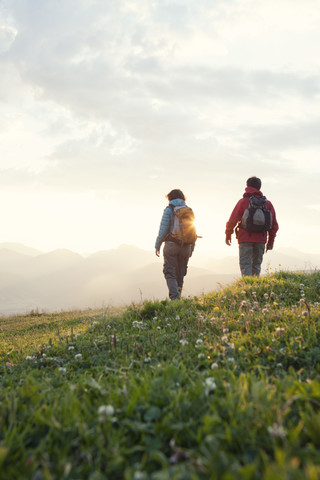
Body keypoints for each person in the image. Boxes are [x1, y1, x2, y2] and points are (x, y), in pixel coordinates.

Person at [225, 176, 279, 277]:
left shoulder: (243, 202)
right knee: (256, 265)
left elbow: (233, 219)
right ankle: (255, 287)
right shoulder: (267, 204)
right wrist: (270, 241)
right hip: (261, 239)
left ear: (247, 186)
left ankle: (248, 287)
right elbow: (274, 225)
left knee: (245, 264)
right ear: (260, 187)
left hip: (245, 238)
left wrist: (228, 234)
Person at [155, 189, 195, 300]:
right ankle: (179, 297)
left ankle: (174, 299)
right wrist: (191, 248)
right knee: (180, 273)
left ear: (170, 198)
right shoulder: (188, 211)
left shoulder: (169, 210)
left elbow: (163, 230)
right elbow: (193, 230)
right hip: (186, 246)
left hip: (171, 245)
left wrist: (157, 245)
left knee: (170, 273)